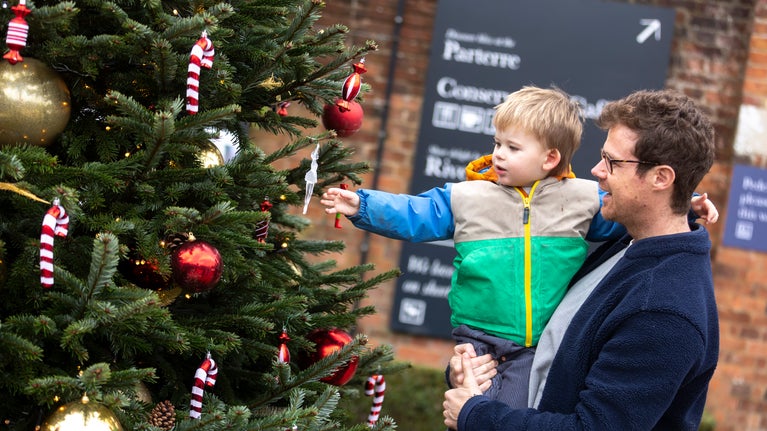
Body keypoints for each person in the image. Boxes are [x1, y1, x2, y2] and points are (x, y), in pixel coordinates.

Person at [321, 86, 716, 409]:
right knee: (468, 396)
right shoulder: (467, 196)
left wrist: (690, 201)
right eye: (498, 143)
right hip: (477, 335)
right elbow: (416, 213)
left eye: (513, 147)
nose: (499, 154)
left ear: (550, 157)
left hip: (535, 345)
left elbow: (655, 206)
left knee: (502, 411)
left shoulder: (583, 202)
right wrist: (363, 205)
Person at [443, 88, 720, 431]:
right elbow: (552, 357)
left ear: (660, 178)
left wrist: (476, 414)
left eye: (613, 162)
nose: (596, 171)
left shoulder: (663, 310)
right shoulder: (629, 244)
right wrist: (480, 370)